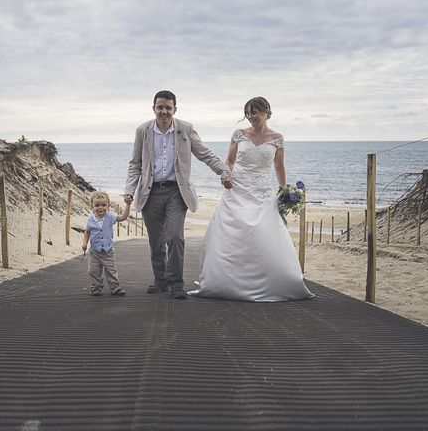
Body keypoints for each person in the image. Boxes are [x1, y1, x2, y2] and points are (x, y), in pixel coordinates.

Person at [191, 97, 314, 301]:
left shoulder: (277, 138)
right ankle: (225, 281)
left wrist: (284, 193)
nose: (250, 117)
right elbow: (229, 161)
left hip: (262, 191)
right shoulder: (239, 135)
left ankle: (269, 281)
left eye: (254, 112)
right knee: (232, 234)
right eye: (247, 113)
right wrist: (226, 174)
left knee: (262, 233)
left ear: (266, 112)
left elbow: (278, 167)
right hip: (237, 188)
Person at [124, 90, 231, 299]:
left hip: (177, 191)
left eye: (168, 107)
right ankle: (160, 281)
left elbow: (204, 153)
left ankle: (176, 284)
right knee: (156, 241)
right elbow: (135, 164)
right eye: (160, 107)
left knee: (174, 237)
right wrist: (129, 190)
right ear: (153, 108)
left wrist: (223, 171)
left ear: (175, 109)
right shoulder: (142, 130)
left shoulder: (186, 129)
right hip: (150, 192)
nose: (164, 111)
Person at [82, 191, 129, 297]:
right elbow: (87, 232)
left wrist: (128, 205)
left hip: (108, 251)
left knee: (111, 270)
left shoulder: (110, 217)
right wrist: (85, 243)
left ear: (108, 205)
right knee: (93, 271)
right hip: (94, 252)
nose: (100, 208)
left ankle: (115, 288)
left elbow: (123, 217)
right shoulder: (90, 219)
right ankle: (96, 288)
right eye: (97, 205)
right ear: (92, 206)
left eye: (104, 205)